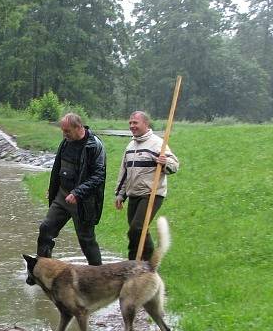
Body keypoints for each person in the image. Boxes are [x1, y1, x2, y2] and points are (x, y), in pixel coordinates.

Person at [36, 112, 106, 265]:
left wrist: (77, 193)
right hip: (62, 196)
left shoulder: (95, 146)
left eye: (67, 131)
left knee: (86, 240)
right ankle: (42, 269)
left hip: (83, 201)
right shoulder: (66, 141)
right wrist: (53, 188)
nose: (64, 134)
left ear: (78, 127)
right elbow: (58, 168)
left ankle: (98, 275)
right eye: (63, 130)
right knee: (46, 229)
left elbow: (98, 176)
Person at [114, 111, 179, 261]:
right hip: (133, 194)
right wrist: (120, 194)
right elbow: (124, 172)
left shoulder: (158, 144)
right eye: (130, 123)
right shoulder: (130, 146)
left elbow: (174, 165)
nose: (132, 126)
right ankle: (133, 263)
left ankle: (149, 264)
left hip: (152, 193)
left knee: (137, 228)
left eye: (135, 123)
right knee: (134, 231)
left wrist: (165, 163)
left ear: (145, 124)